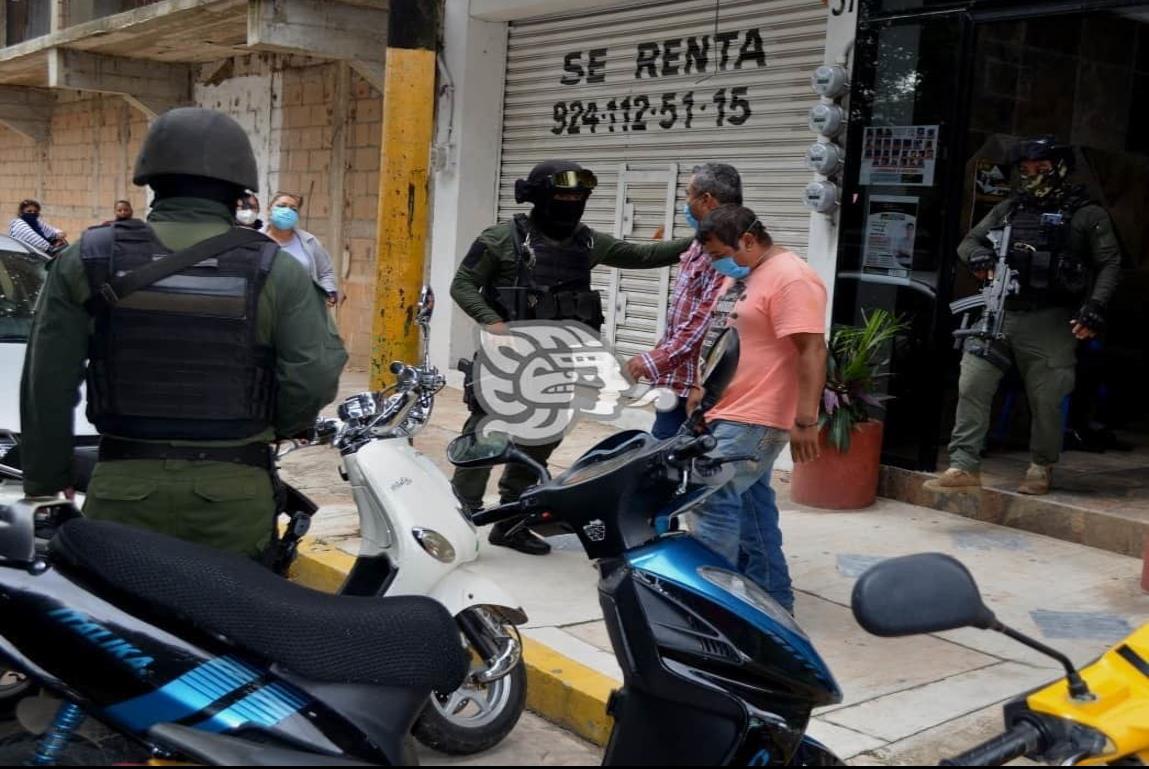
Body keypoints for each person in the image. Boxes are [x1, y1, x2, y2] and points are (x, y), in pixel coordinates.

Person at [19, 107, 348, 559]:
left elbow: (47, 381)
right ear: (241, 191)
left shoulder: (88, 259)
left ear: (151, 179)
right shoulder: (276, 268)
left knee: (121, 624)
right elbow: (315, 372)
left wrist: (46, 477)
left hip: (121, 490)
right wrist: (285, 425)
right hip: (235, 495)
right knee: (229, 625)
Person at [450, 159, 694, 555]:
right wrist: (492, 322)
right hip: (508, 357)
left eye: (578, 196)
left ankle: (511, 518)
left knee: (544, 435)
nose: (570, 202)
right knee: (487, 432)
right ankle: (460, 514)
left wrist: (700, 240)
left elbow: (644, 256)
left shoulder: (587, 242)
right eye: (562, 195)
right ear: (538, 197)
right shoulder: (501, 239)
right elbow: (463, 284)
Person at [925, 136, 1121, 496]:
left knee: (1047, 397)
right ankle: (964, 464)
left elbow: (1110, 262)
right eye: (1027, 171)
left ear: (1061, 170)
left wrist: (1095, 306)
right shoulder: (1012, 208)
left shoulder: (1086, 213)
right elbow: (969, 242)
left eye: (1042, 170)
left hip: (1051, 318)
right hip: (1000, 311)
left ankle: (1041, 466)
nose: (1033, 177)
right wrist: (979, 257)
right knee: (972, 382)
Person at [688, 205, 828, 614]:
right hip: (728, 409)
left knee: (711, 497)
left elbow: (812, 349)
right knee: (751, 506)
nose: (716, 265)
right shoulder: (748, 274)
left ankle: (711, 608)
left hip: (756, 415)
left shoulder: (793, 277)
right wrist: (701, 388)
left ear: (747, 240)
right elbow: (725, 335)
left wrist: (805, 419)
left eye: (718, 255)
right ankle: (773, 602)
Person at [625, 163, 743, 439]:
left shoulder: (728, 247)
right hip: (678, 381)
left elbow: (708, 319)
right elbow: (686, 309)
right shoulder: (701, 241)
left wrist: (653, 361)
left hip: (701, 387)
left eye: (688, 195)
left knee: (679, 466)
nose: (685, 203)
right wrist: (661, 350)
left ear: (706, 200)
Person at [262, 192, 339, 306]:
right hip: (264, 310)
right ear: (269, 210)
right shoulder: (254, 240)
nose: (287, 211)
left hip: (300, 311)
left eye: (293, 209)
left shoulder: (309, 241)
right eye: (282, 206)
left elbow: (326, 272)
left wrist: (329, 292)